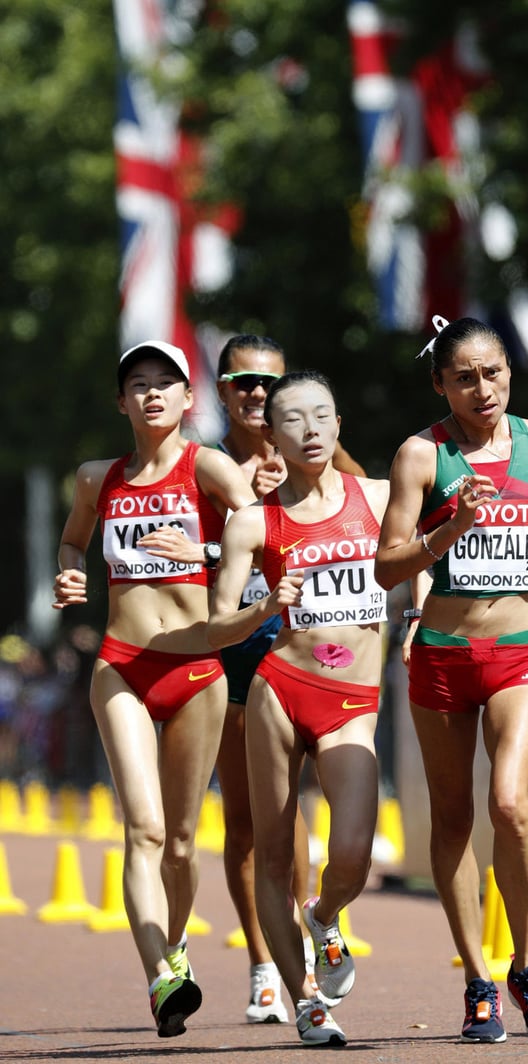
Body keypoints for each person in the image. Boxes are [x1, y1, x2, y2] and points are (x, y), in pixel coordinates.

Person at [373, 315, 528, 1043]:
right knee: (452, 820)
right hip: (444, 650)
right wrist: (447, 533)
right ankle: (479, 979)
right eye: (465, 377)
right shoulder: (421, 455)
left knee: (509, 801)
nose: (484, 389)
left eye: (495, 372)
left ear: (511, 372)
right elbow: (387, 564)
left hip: (522, 648)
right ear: (440, 383)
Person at [52, 340, 256, 1037]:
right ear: (121, 402)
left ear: (187, 398)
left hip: (196, 668)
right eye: (138, 385)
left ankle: (175, 945)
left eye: (166, 383)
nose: (152, 395)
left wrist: (201, 551)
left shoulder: (210, 467)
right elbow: (74, 541)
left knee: (181, 842)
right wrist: (70, 573)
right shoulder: (96, 478)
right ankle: (159, 977)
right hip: (122, 666)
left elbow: (262, 528)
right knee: (141, 828)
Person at [208, 369, 389, 1047]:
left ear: (339, 424)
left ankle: (325, 915)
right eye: (293, 420)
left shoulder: (379, 496)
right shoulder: (254, 522)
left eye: (322, 416)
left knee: (352, 852)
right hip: (279, 687)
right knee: (273, 855)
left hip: (352, 702)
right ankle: (305, 999)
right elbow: (217, 627)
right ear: (271, 436)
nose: (310, 431)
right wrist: (266, 605)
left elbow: (422, 552)